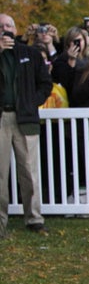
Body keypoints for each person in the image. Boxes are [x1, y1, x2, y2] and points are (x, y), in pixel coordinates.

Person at [0, 14, 53, 238]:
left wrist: (32, 102)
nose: (5, 29)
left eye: (9, 25)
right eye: (1, 26)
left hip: (25, 118)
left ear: (16, 28)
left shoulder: (30, 54)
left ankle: (34, 219)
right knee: (0, 174)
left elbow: (45, 83)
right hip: (2, 117)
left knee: (29, 172)